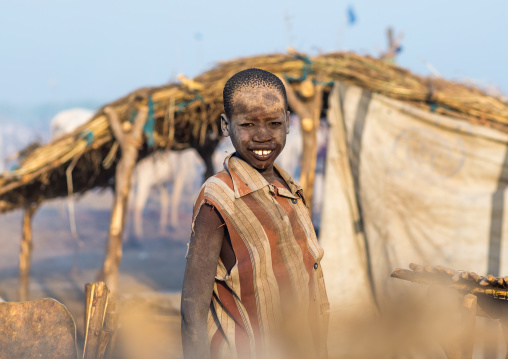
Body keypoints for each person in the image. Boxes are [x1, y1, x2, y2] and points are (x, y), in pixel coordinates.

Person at [181, 68, 329, 359]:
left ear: (287, 123)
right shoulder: (219, 198)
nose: (262, 136)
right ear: (226, 125)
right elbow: (192, 313)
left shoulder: (291, 190)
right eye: (247, 124)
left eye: (274, 123)